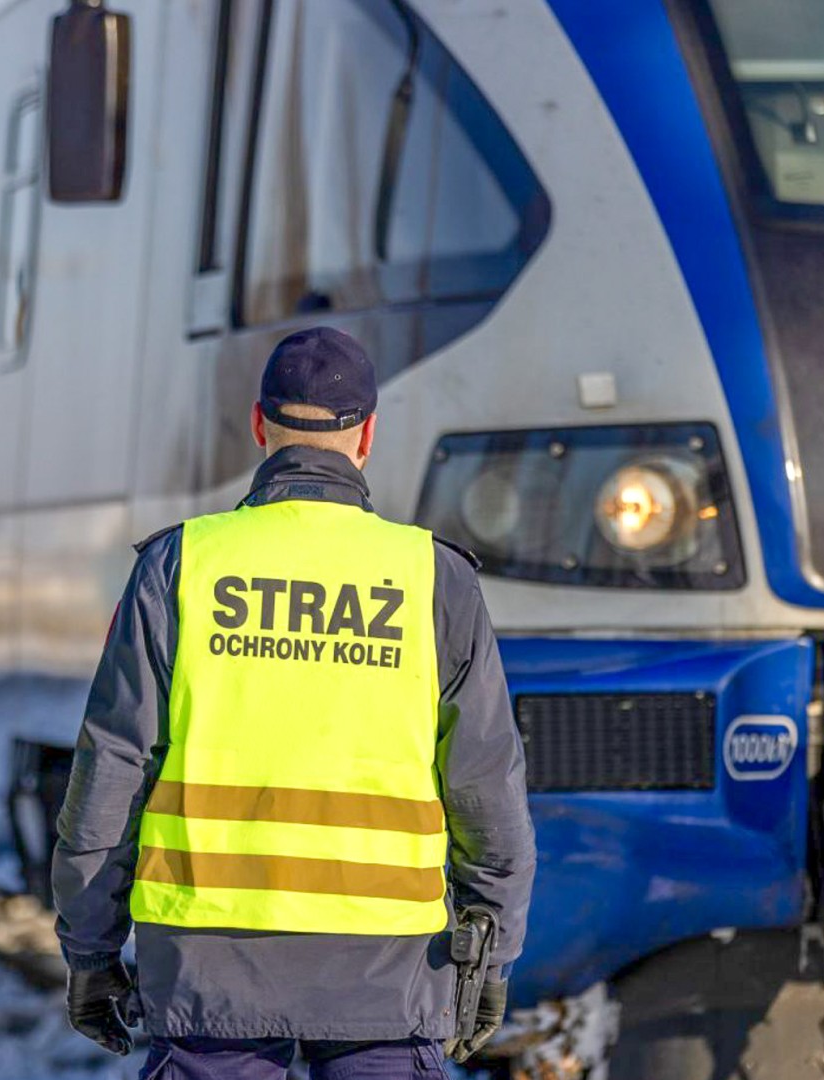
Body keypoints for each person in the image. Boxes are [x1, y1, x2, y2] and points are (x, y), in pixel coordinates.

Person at [53, 327, 537, 1079]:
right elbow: (488, 787)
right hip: (388, 970)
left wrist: (90, 947)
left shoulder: (182, 565)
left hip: (210, 966)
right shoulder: (433, 580)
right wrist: (494, 955)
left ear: (259, 427)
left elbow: (112, 770)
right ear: (368, 434)